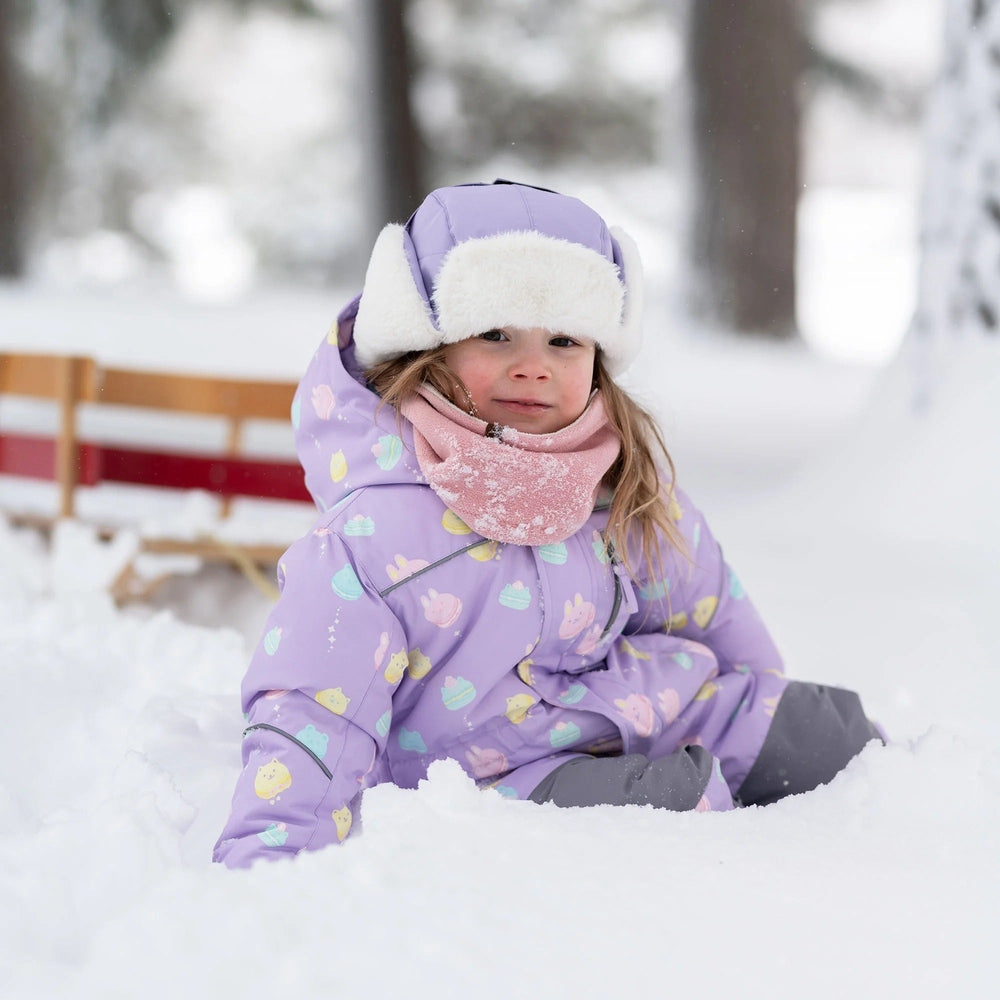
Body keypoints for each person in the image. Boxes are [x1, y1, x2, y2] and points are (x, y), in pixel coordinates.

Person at [213, 180, 881, 868]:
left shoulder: (618, 484)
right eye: (496, 333)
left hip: (637, 708)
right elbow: (314, 705)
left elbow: (709, 608)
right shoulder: (378, 534)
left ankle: (910, 806)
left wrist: (763, 709)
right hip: (492, 772)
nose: (532, 367)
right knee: (679, 801)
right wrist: (275, 855)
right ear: (426, 345)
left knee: (833, 735)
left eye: (563, 340)